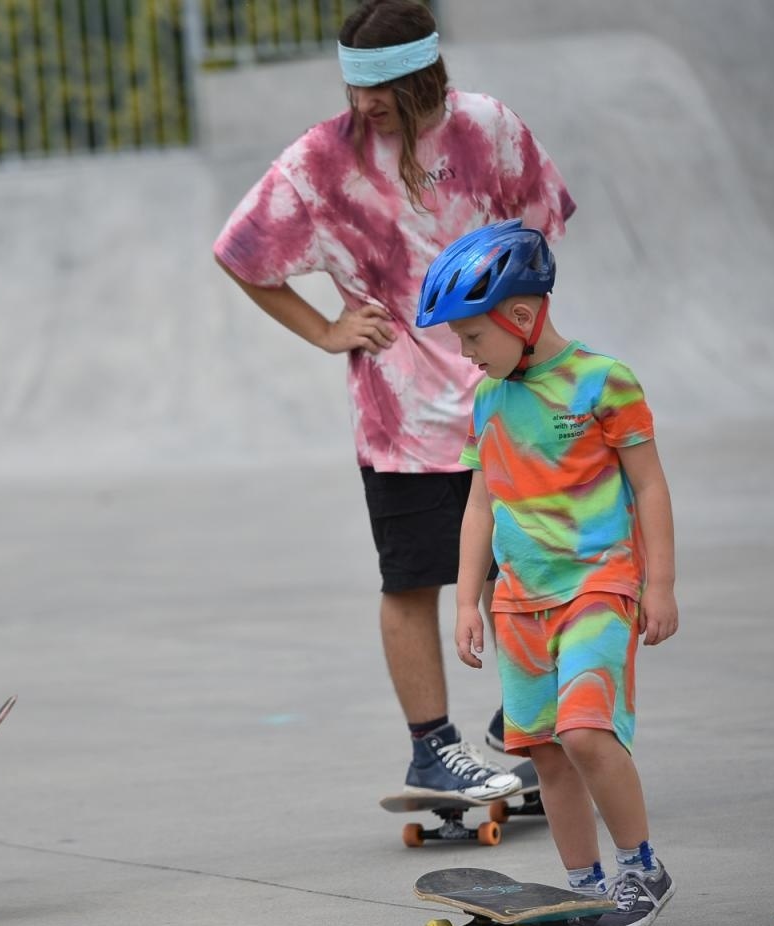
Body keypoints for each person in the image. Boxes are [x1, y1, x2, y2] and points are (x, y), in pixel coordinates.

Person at [213, 0, 575, 800]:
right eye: (354, 90)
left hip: (502, 401)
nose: (364, 106)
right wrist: (324, 329)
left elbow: (540, 233)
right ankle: (431, 749)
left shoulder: (489, 129)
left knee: (526, 570)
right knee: (412, 580)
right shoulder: (320, 159)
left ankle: (515, 724)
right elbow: (241, 252)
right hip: (401, 416)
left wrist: (526, 342)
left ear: (424, 76)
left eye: (380, 91)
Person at [419, 218, 678, 926]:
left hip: (598, 585)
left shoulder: (605, 382)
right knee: (544, 750)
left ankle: (642, 867)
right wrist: (468, 599)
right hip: (519, 605)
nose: (467, 356)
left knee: (587, 733)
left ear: (524, 316)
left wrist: (659, 584)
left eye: (473, 338)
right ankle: (581, 887)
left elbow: (650, 486)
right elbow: (480, 503)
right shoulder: (490, 400)